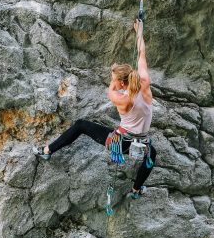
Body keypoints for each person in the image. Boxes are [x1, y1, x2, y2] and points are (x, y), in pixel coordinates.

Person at [36, 20, 156, 198]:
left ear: (121, 83)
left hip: (122, 143)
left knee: (81, 125)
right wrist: (139, 32)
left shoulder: (122, 99)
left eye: (113, 78)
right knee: (152, 156)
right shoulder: (145, 85)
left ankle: (47, 151)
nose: (112, 80)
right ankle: (136, 190)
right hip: (143, 144)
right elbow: (142, 54)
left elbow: (111, 92)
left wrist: (114, 83)